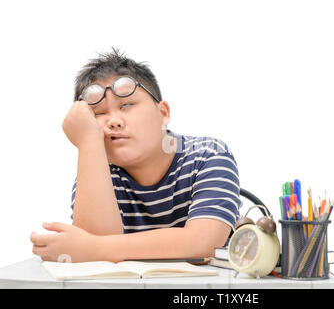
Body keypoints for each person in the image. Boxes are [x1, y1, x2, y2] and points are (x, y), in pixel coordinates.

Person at [30, 49, 241, 263]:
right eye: (98, 114)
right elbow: (94, 263)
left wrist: (91, 247)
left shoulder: (208, 154)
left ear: (163, 113)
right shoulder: (95, 173)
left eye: (127, 105)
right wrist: (88, 143)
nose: (114, 121)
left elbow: (203, 242)